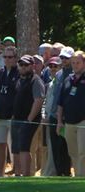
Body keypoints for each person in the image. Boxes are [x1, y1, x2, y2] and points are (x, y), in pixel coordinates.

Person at [11, 55, 45, 176]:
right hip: (17, 119)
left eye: (26, 65)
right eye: (21, 65)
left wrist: (29, 118)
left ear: (32, 66)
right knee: (16, 148)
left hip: (29, 120)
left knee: (24, 148)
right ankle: (17, 173)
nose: (23, 67)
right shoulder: (19, 80)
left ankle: (26, 175)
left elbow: (39, 100)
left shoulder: (36, 80)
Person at [0, 46, 19, 177]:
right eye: (5, 57)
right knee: (0, 146)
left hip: (12, 117)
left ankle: (18, 173)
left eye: (10, 57)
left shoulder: (19, 73)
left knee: (15, 148)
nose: (7, 59)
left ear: (15, 58)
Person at [56, 50, 85, 177]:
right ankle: (78, 176)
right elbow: (60, 103)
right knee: (73, 152)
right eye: (73, 63)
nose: (75, 65)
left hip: (83, 121)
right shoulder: (68, 79)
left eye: (78, 62)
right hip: (68, 122)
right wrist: (59, 122)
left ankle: (82, 177)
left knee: (82, 151)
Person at [48, 47, 74, 176]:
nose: (63, 60)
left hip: (66, 116)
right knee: (55, 147)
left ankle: (66, 172)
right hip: (54, 114)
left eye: (66, 58)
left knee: (65, 147)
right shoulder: (58, 74)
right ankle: (59, 173)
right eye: (62, 58)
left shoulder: (74, 74)